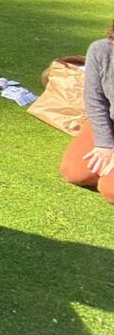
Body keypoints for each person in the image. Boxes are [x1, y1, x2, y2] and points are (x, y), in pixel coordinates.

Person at [60, 20, 114, 203]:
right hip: (110, 121)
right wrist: (104, 144)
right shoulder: (101, 50)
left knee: (111, 190)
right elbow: (96, 100)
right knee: (75, 172)